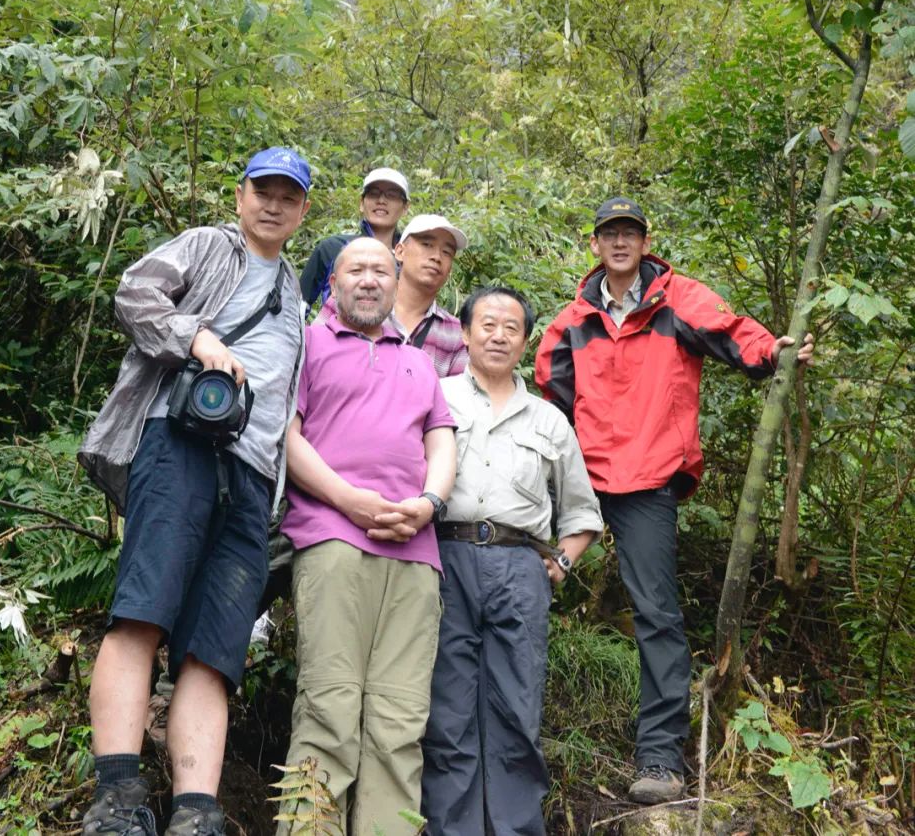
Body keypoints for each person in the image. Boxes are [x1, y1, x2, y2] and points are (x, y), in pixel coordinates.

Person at [534, 197, 814, 805]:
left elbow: (733, 332)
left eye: (629, 232)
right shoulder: (575, 318)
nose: (619, 242)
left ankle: (660, 759)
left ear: (644, 241)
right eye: (609, 232)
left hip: (648, 475)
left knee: (657, 615)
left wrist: (774, 351)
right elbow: (546, 390)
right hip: (580, 477)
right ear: (595, 243)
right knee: (528, 585)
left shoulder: (676, 299)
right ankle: (520, 742)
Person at [77, 148, 312, 836]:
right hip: (178, 446)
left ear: (302, 211)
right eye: (262, 191)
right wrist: (196, 337)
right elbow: (134, 292)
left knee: (215, 648)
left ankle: (195, 809)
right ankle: (117, 795)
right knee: (143, 612)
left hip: (252, 478)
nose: (272, 205)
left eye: (287, 197)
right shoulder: (210, 245)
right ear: (239, 195)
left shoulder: (298, 295)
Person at [279, 237, 457, 836]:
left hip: (415, 551)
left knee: (400, 721)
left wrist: (429, 502)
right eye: (355, 269)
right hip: (332, 539)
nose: (369, 280)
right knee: (329, 706)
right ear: (332, 282)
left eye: (381, 271)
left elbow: (441, 439)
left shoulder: (418, 359)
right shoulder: (306, 344)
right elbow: (287, 436)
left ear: (395, 280)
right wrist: (345, 499)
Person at [422, 285, 602, 836]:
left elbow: (583, 513)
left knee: (516, 709)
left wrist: (561, 563)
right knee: (447, 709)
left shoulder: (548, 420)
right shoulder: (435, 395)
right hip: (443, 556)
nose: (498, 336)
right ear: (466, 331)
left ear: (525, 340)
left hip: (520, 566)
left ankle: (517, 829)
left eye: (511, 328)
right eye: (488, 325)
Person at [318, 212, 469, 378]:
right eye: (427, 244)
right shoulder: (350, 301)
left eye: (447, 252)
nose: (437, 257)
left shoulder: (455, 335)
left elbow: (450, 400)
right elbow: (312, 358)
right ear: (399, 251)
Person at [299, 166, 410, 309]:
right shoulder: (332, 248)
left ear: (405, 207)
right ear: (362, 203)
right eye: (374, 194)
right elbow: (298, 307)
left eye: (392, 195)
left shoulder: (409, 258)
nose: (381, 200)